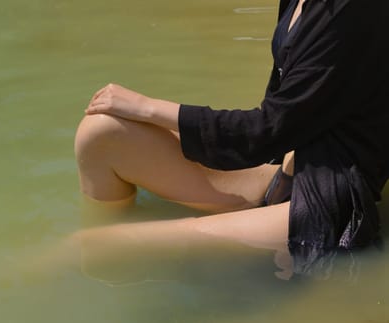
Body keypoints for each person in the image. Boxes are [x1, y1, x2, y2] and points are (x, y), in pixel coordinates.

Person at [72, 0, 389, 279]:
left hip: (326, 203)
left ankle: (32, 275)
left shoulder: (356, 8)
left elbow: (268, 130)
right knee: (101, 136)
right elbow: (283, 109)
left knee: (95, 243)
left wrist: (147, 107)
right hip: (285, 172)